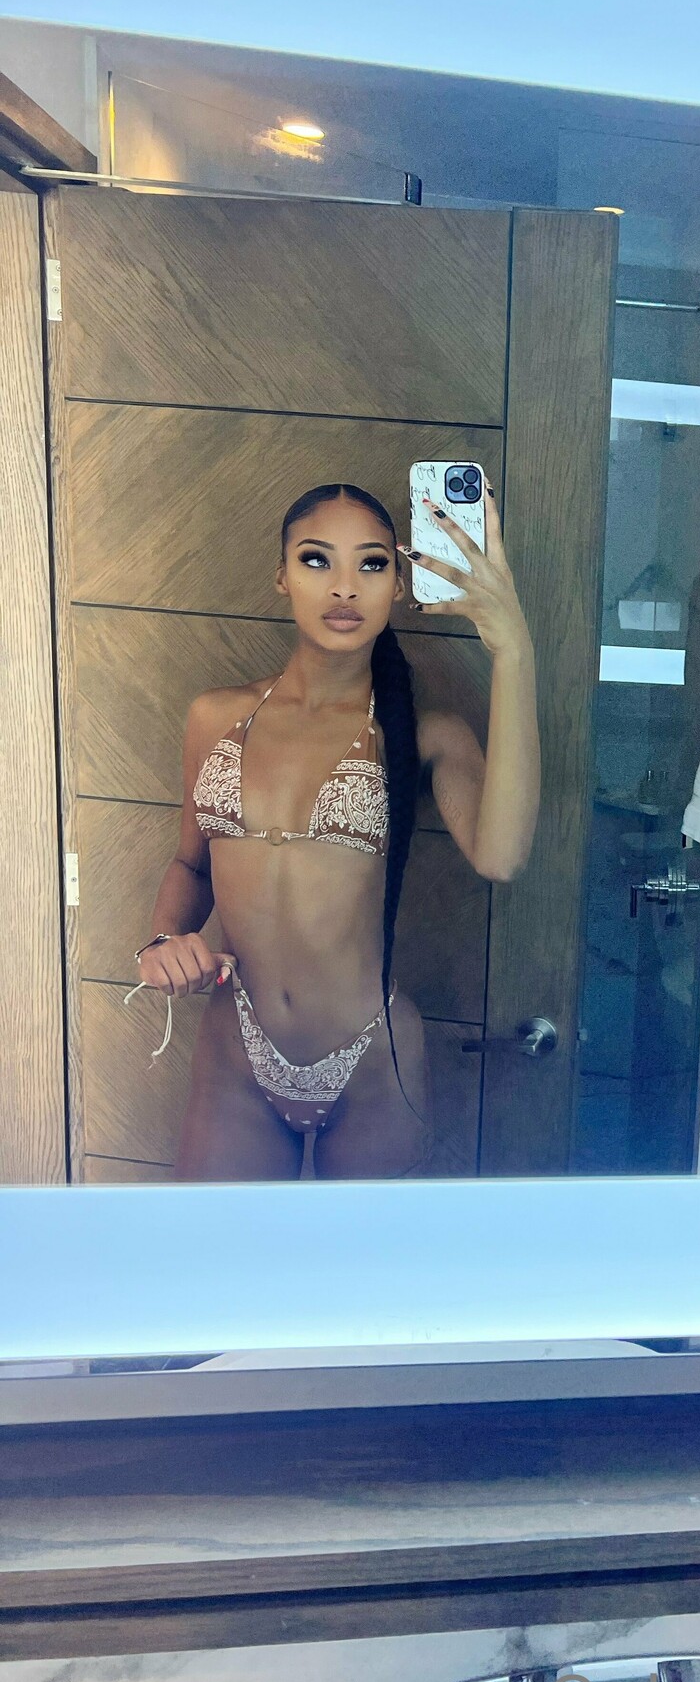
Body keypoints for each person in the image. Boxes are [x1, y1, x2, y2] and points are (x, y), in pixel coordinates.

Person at [132, 480, 539, 1180]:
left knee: (364, 1258)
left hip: (372, 1062)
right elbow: (191, 866)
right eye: (317, 560)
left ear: (399, 585)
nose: (344, 586)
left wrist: (514, 652)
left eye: (372, 563)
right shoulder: (215, 717)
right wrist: (164, 941)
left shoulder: (425, 735)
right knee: (215, 1252)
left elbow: (501, 857)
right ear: (282, 576)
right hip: (236, 1054)